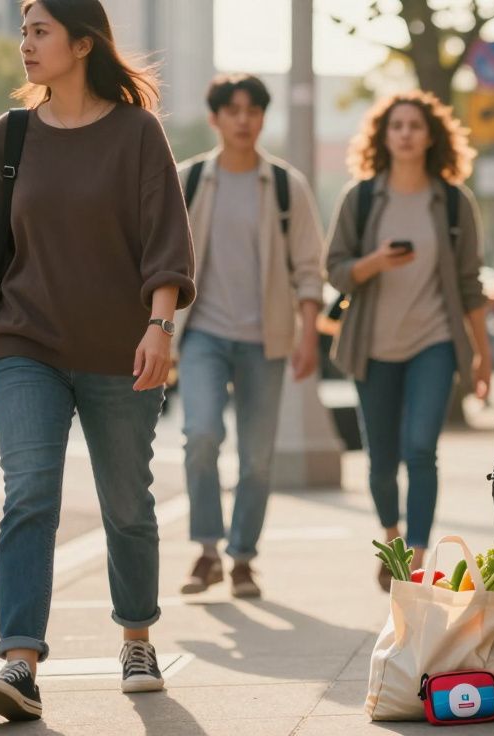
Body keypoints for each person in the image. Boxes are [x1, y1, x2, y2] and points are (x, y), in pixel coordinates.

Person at [0, 0, 194, 721]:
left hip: (120, 350)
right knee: (29, 493)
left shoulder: (137, 134)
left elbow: (166, 240)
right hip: (25, 343)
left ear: (82, 43)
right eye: (25, 30)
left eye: (40, 32)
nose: (25, 44)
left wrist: (159, 326)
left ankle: (136, 635)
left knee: (127, 504)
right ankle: (21, 660)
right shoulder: (12, 136)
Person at [325, 91, 492, 591]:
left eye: (414, 126)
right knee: (380, 457)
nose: (405, 133)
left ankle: (417, 556)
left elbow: (469, 285)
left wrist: (481, 354)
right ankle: (393, 540)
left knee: (421, 448)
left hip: (434, 342)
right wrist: (374, 262)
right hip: (371, 346)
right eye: (395, 125)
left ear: (430, 136)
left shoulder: (453, 202)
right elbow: (335, 268)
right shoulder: (360, 197)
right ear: (383, 135)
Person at [174, 73, 326, 600]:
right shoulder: (188, 180)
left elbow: (310, 267)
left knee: (258, 456)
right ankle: (207, 550)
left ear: (263, 117)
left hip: (267, 338)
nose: (243, 119)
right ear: (214, 117)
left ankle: (242, 559)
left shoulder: (286, 185)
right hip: (202, 335)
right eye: (232, 110)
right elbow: (161, 260)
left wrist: (309, 335)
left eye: (253, 110)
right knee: (201, 436)